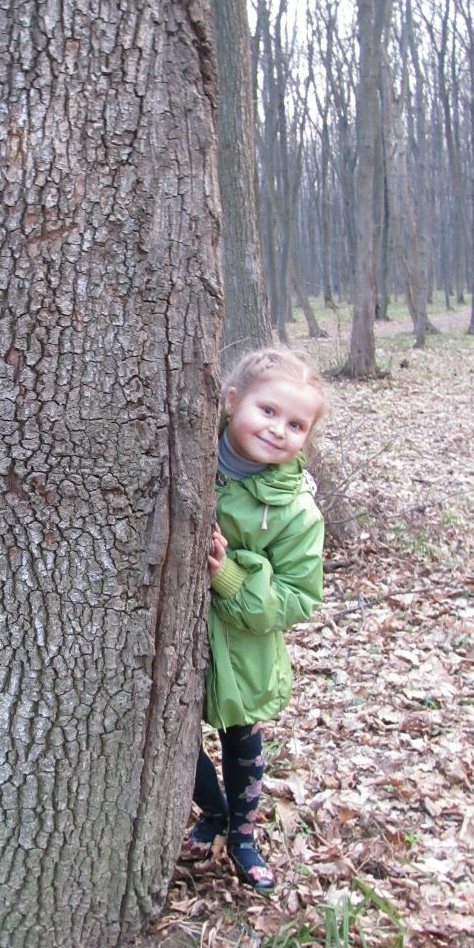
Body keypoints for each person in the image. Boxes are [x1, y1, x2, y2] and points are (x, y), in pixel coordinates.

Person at [184, 348, 326, 892]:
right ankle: (214, 811)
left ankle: (243, 834)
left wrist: (232, 576)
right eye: (268, 411)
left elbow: (298, 598)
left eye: (295, 424)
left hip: (244, 652)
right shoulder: (190, 455)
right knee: (176, 738)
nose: (278, 430)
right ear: (232, 400)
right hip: (177, 643)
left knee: (242, 740)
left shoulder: (296, 510)